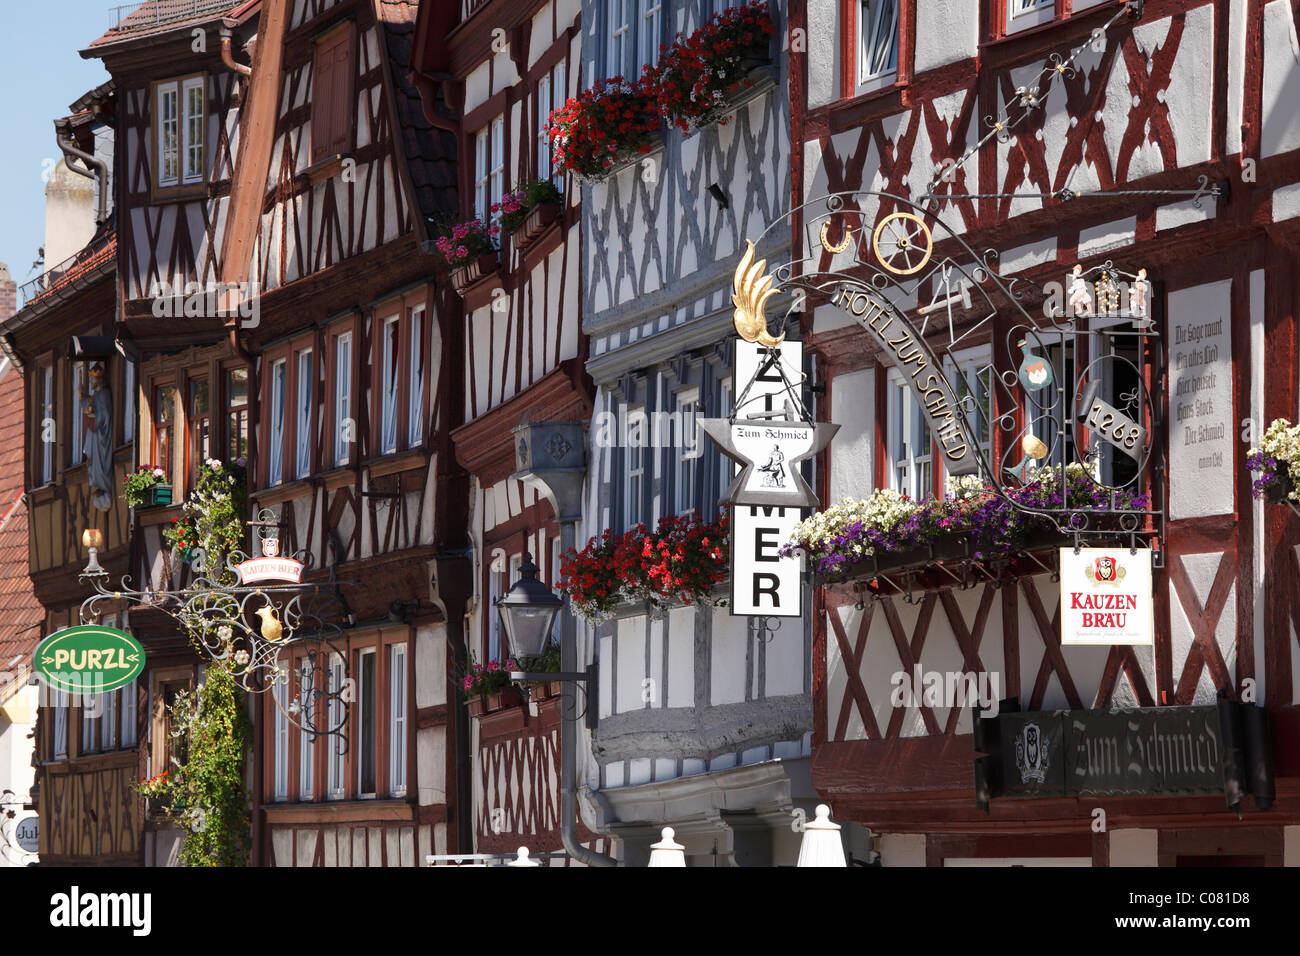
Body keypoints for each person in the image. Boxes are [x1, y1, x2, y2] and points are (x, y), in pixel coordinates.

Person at [83, 362, 114, 512]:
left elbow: (104, 416)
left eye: (92, 380)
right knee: (93, 460)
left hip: (101, 436)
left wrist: (94, 418)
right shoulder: (97, 395)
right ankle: (99, 485)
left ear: (99, 380)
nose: (91, 383)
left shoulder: (103, 395)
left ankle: (103, 486)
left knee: (101, 461)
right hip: (94, 436)